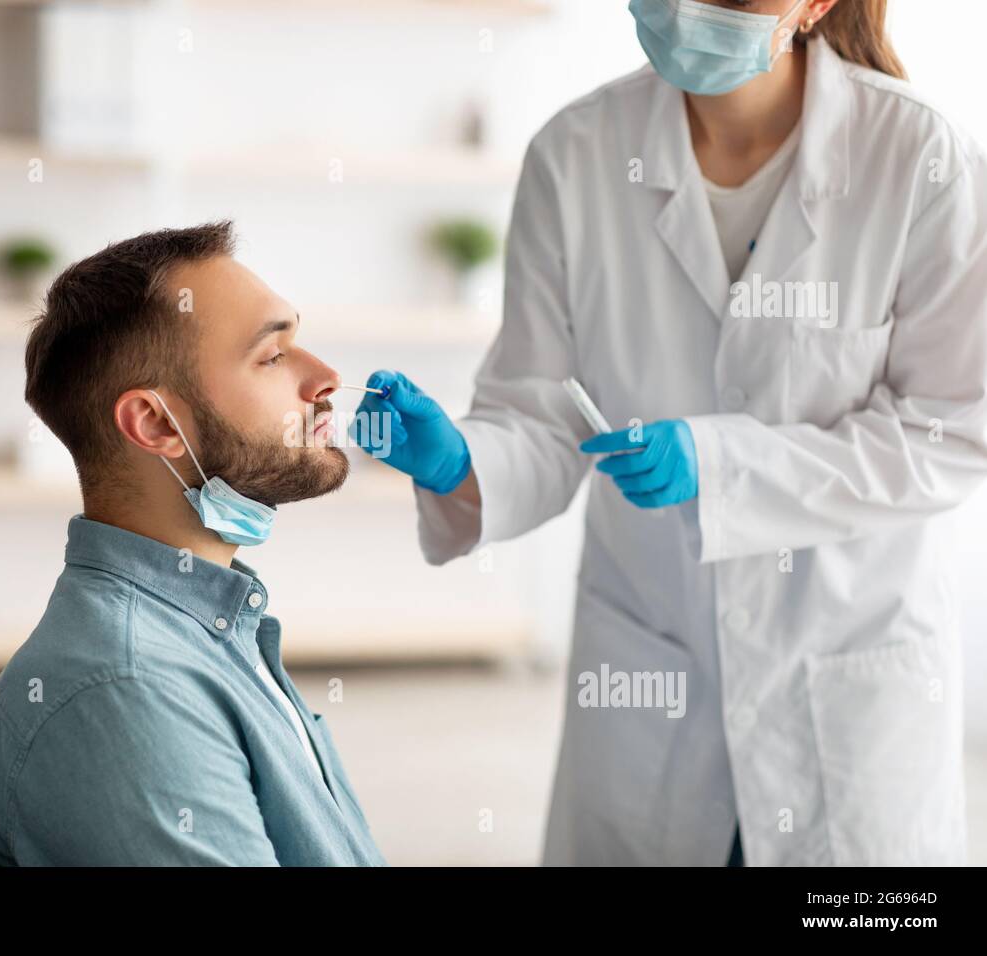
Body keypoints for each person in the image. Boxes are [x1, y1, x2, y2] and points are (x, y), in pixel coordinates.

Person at [355, 0, 987, 865]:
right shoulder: (575, 156)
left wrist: (723, 466)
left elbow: (953, 431)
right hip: (650, 665)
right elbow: (541, 417)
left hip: (848, 677)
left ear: (815, 6)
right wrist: (463, 461)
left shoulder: (920, 159)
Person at [0, 221, 385, 866]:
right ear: (157, 423)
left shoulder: (213, 627)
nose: (327, 377)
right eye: (272, 357)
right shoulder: (129, 691)